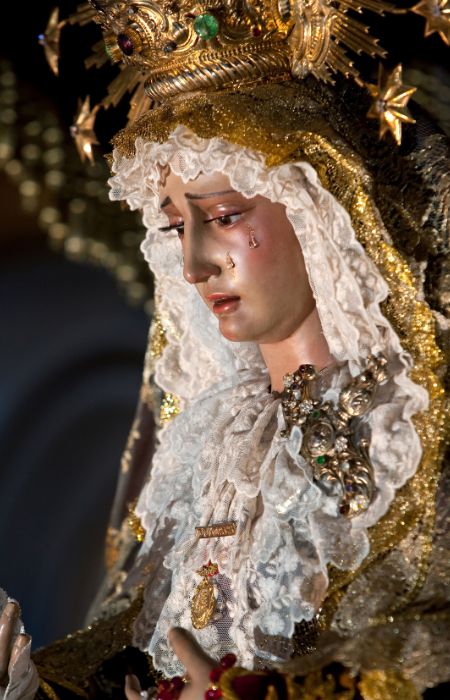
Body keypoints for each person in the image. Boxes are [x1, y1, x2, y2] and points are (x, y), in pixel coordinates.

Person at [1, 0, 449, 698]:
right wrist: (34, 685)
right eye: (176, 227)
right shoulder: (207, 437)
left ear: (316, 209)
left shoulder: (406, 425)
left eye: (225, 216)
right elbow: (138, 647)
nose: (194, 265)